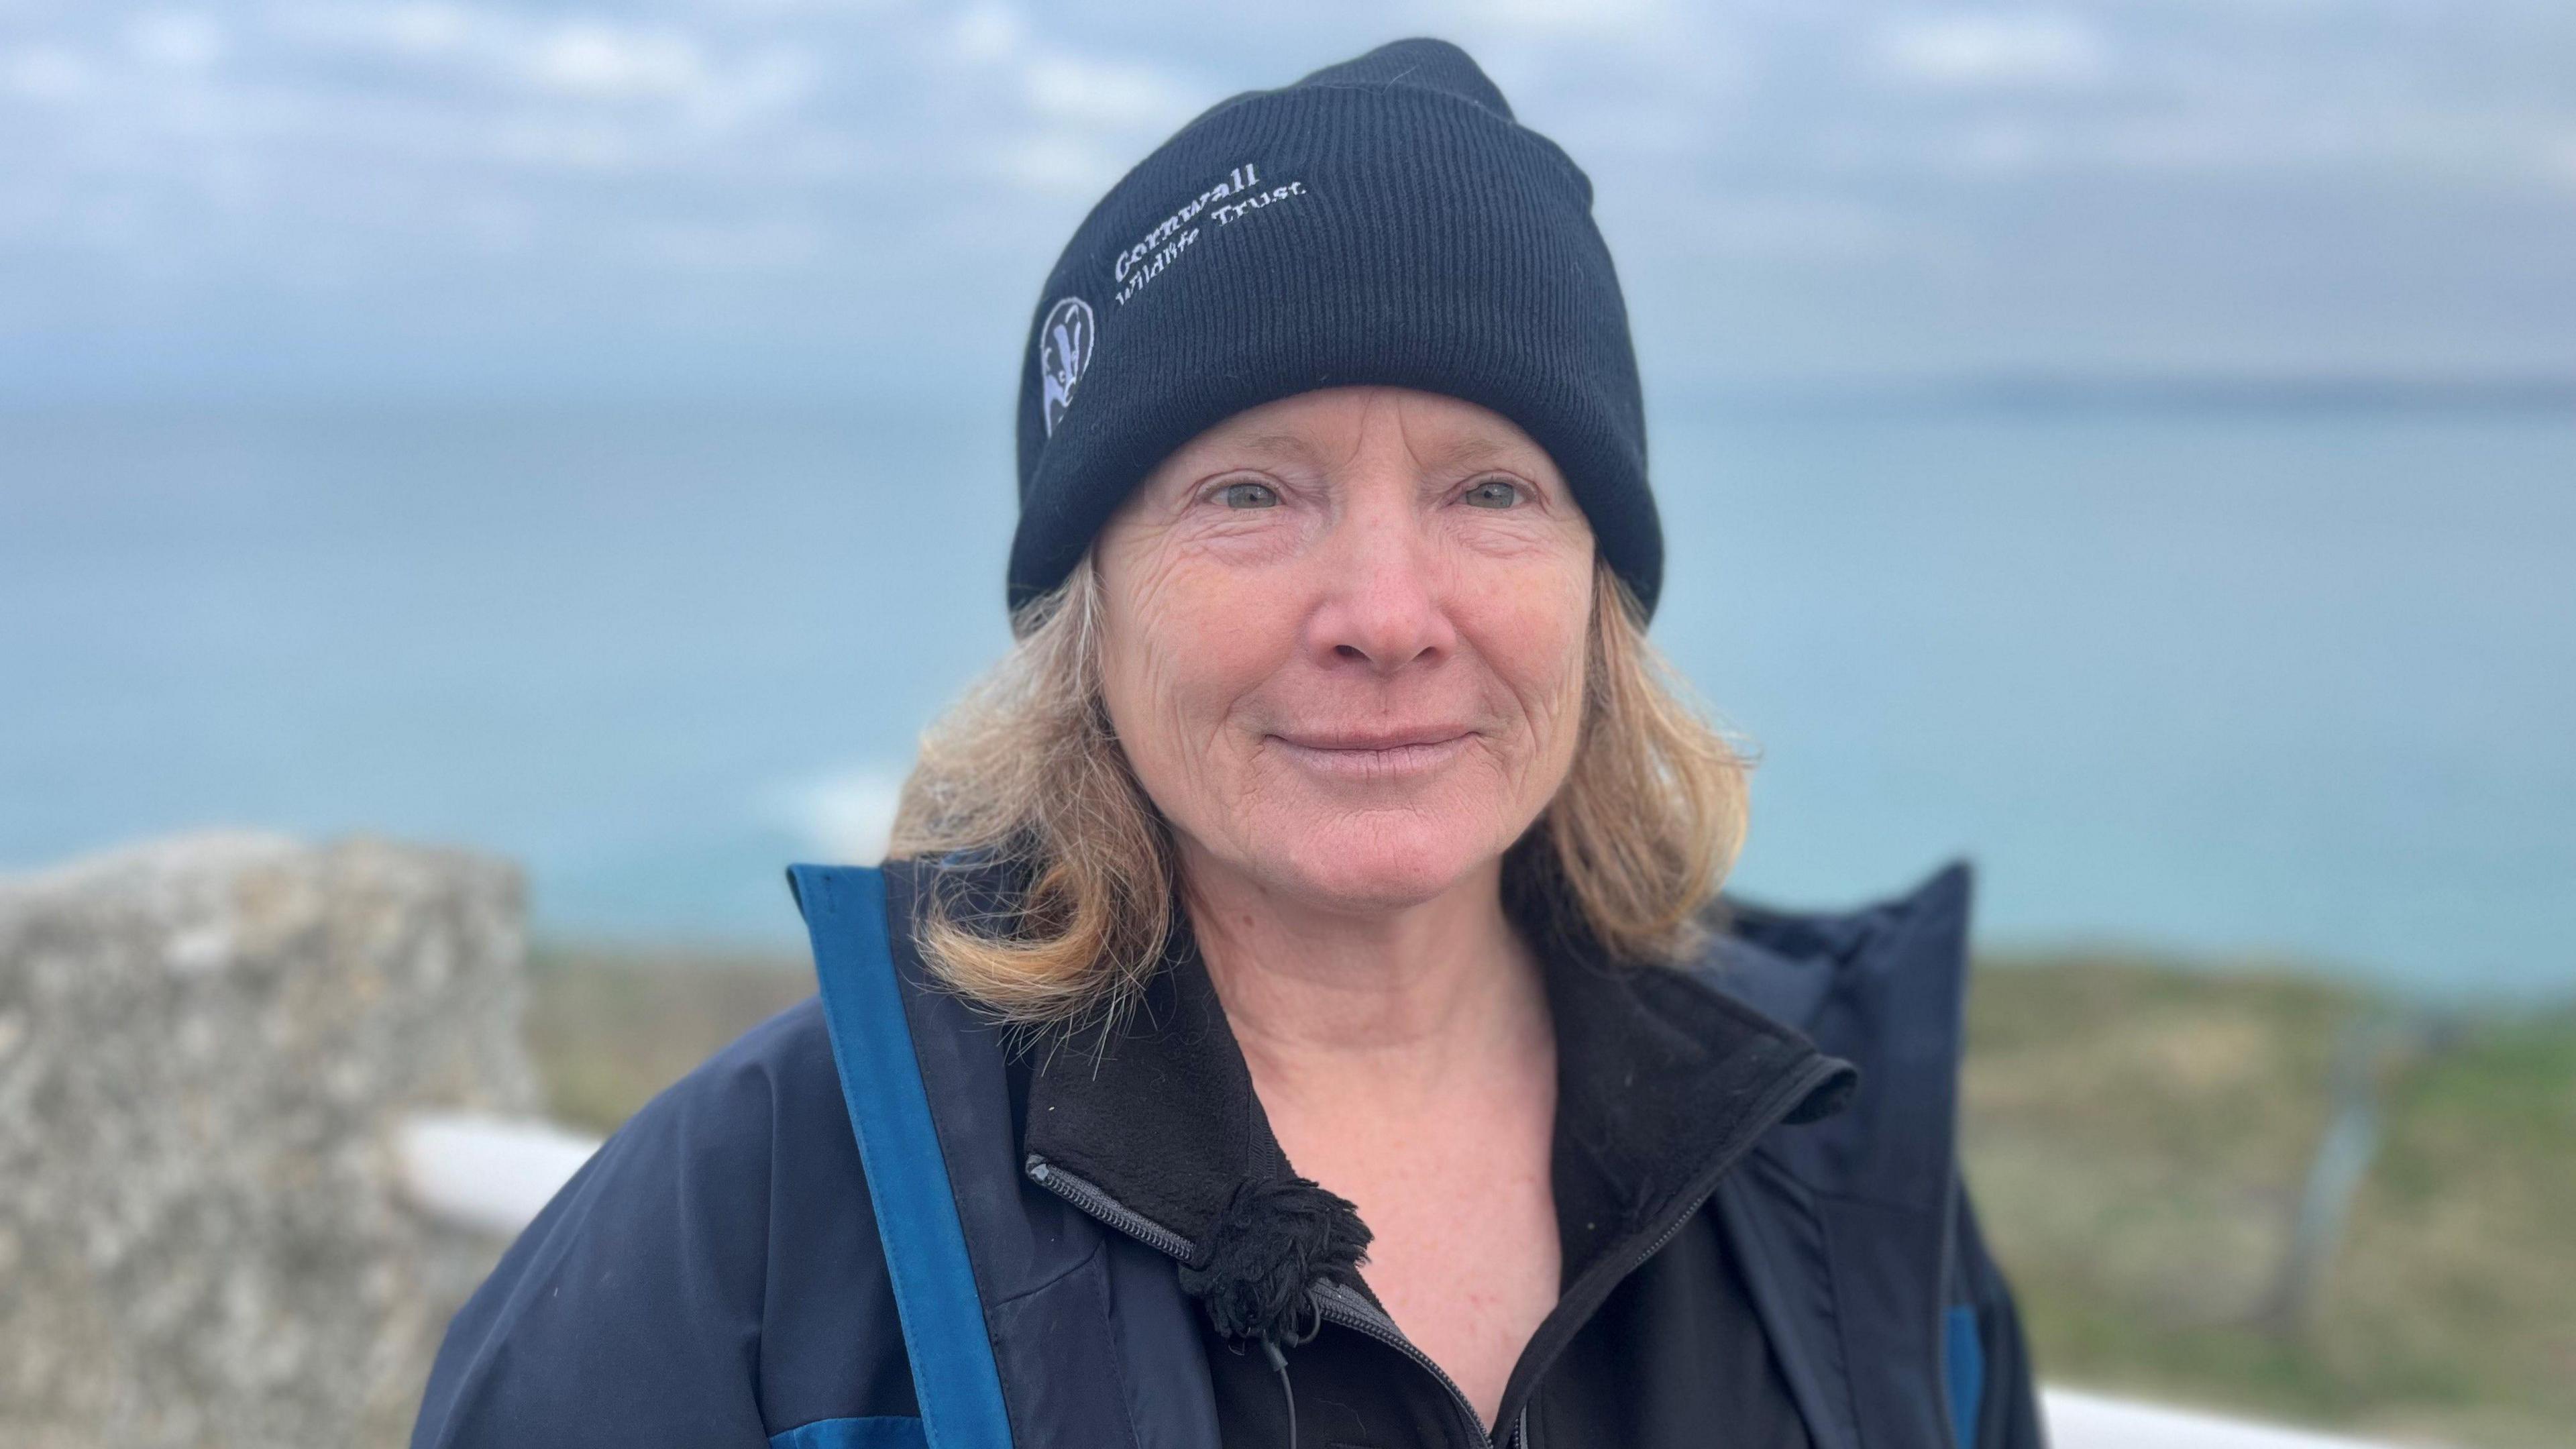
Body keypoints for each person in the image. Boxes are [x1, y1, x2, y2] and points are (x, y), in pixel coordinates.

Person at [413, 36, 2042, 1449]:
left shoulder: (1833, 1171)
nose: (1388, 614)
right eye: (1249, 494)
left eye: (1492, 491)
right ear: (1089, 617)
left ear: (1597, 596)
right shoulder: (761, 1223)